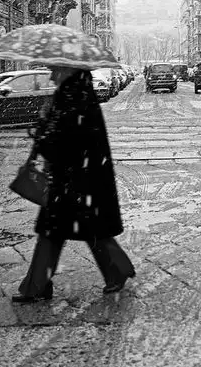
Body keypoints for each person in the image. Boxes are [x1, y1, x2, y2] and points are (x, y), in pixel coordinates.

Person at [12, 66, 135, 303]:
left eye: (55, 71)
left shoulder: (73, 99)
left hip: (74, 181)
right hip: (81, 181)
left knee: (62, 233)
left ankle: (38, 286)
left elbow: (66, 144)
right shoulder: (77, 95)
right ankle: (115, 271)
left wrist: (43, 135)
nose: (51, 75)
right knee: (85, 231)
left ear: (67, 72)